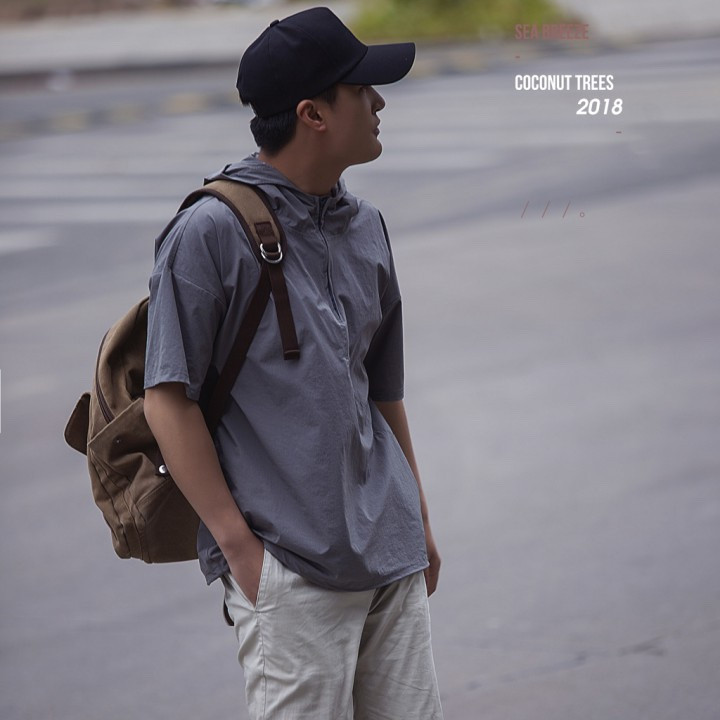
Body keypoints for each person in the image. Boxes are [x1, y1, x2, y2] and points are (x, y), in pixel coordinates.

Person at [143, 6, 443, 719]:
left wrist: (417, 519)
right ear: (313, 114)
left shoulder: (364, 225)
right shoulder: (209, 232)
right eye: (361, 90)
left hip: (390, 553)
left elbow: (382, 389)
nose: (379, 103)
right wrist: (240, 548)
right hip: (290, 568)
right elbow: (167, 397)